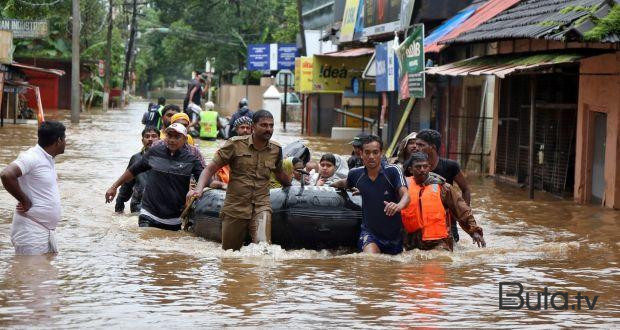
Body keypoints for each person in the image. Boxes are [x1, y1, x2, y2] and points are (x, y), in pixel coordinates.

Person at [191, 110, 291, 250]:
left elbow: (280, 174)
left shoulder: (276, 149)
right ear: (253, 127)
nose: (268, 129)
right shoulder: (234, 144)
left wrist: (293, 186)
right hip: (235, 207)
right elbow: (210, 169)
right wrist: (199, 189)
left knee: (263, 249)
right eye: (264, 125)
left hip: (261, 206)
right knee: (231, 253)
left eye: (271, 125)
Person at [105, 123, 204, 230]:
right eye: (169, 136)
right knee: (145, 241)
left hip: (174, 219)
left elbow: (205, 179)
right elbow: (132, 172)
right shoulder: (153, 153)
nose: (172, 140)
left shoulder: (191, 160)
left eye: (177, 137)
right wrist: (114, 187)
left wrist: (202, 189)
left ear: (185, 139)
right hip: (148, 213)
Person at [331, 135, 409, 255]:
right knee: (370, 262)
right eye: (367, 152)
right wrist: (328, 185)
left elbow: (406, 196)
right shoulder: (355, 174)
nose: (371, 157)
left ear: (381, 153)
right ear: (361, 153)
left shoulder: (392, 171)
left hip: (394, 236)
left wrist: (398, 206)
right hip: (370, 234)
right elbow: (344, 183)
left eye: (375, 152)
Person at [1, 121, 66, 254]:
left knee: (45, 273)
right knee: (29, 274)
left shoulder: (47, 158)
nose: (66, 142)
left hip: (44, 231)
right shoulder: (32, 157)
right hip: (30, 231)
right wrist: (24, 200)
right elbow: (6, 175)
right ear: (58, 141)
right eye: (65, 139)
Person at [401, 152, 485, 251]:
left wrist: (473, 231)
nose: (422, 170)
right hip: (410, 242)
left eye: (425, 166)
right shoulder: (403, 187)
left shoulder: (443, 187)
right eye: (418, 167)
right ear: (411, 169)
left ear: (429, 167)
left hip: (438, 242)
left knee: (439, 260)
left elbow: (462, 210)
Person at [415, 129, 472, 242]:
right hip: (422, 220)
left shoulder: (450, 166)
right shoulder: (412, 167)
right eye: (416, 144)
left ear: (433, 147)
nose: (416, 148)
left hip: (448, 221)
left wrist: (462, 215)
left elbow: (465, 189)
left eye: (421, 145)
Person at [115, 126, 160, 213]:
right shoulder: (136, 158)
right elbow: (127, 184)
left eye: (154, 136)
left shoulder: (166, 158)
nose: (150, 139)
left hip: (158, 207)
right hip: (138, 206)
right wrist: (119, 207)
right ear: (142, 140)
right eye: (147, 136)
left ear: (160, 139)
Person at [209, 116, 253, 190]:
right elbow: (212, 178)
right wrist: (223, 185)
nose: (245, 130)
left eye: (248, 128)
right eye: (242, 127)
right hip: (227, 185)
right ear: (236, 129)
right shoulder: (226, 149)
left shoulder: (256, 149)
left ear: (252, 130)